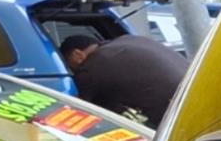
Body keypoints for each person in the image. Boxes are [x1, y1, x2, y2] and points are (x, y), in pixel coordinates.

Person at [57, 30, 187, 125]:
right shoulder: (130, 39)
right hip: (191, 90)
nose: (73, 71)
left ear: (77, 54)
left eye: (69, 65)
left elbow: (77, 108)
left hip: (174, 110)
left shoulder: (93, 65)